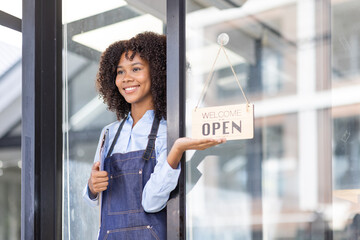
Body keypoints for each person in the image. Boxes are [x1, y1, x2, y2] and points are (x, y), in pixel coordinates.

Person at [83, 31, 225, 239]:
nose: (126, 78)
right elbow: (91, 200)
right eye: (120, 72)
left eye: (136, 69)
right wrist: (92, 186)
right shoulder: (108, 134)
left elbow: (151, 203)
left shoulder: (169, 132)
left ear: (158, 73)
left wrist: (176, 151)